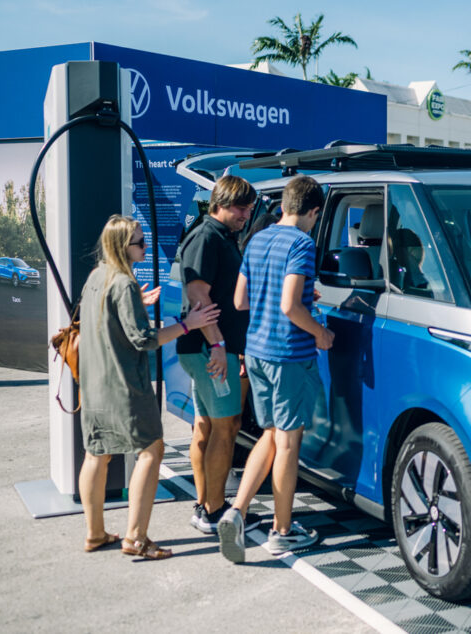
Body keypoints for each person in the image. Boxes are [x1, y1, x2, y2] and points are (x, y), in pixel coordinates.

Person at [78, 215, 219, 559]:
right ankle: (136, 538)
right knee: (151, 450)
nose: (146, 246)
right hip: (124, 385)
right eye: (140, 242)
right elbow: (143, 340)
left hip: (94, 384)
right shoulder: (123, 284)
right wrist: (189, 325)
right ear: (122, 247)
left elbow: (106, 321)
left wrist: (137, 306)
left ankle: (95, 534)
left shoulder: (97, 277)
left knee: (97, 453)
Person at [217, 176, 334, 562]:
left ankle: (236, 512)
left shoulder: (258, 238)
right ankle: (282, 532)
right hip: (288, 355)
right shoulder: (302, 243)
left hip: (256, 353)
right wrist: (320, 333)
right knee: (287, 443)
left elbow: (240, 300)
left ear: (284, 204)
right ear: (314, 212)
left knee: (270, 435)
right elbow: (289, 307)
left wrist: (297, 292)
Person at [176, 175, 256, 534]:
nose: (246, 214)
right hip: (209, 351)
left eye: (250, 208)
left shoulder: (219, 236)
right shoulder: (207, 237)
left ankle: (204, 505)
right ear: (220, 203)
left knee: (208, 426)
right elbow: (198, 297)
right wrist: (220, 347)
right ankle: (213, 510)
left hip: (207, 349)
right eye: (241, 207)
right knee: (225, 429)